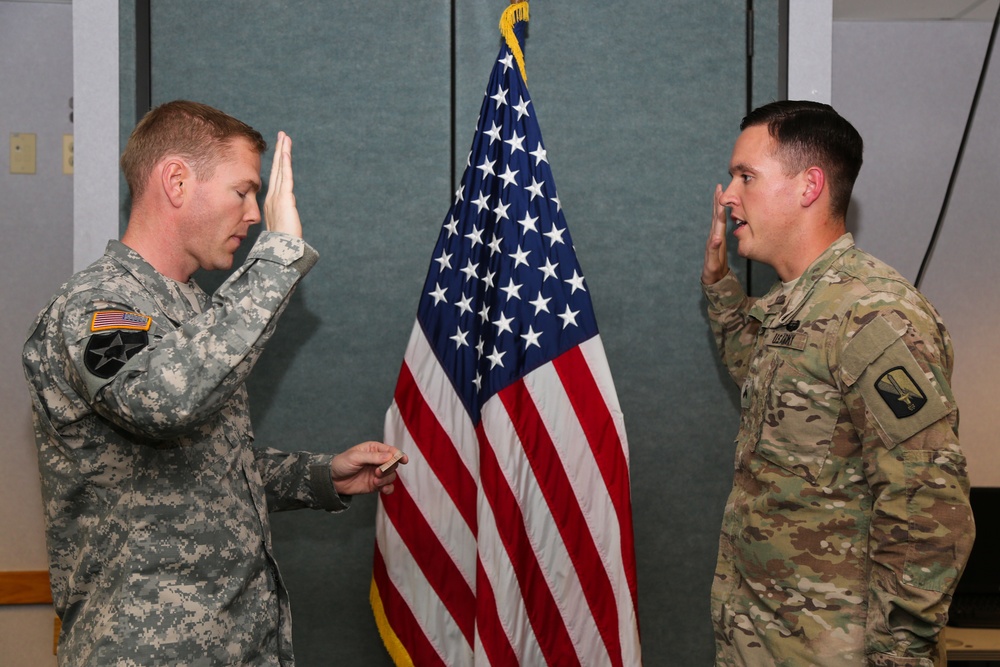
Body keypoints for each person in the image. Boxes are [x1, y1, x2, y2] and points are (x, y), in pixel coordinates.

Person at [22, 100, 406, 666]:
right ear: (176, 180)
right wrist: (277, 258)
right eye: (242, 191)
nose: (254, 215)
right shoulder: (96, 307)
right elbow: (166, 401)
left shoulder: (201, 312)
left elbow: (205, 471)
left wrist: (320, 476)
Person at [701, 100, 974, 666]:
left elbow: (928, 505)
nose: (728, 194)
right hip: (762, 641)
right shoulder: (793, 305)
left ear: (809, 187)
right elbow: (761, 377)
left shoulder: (873, 316)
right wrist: (721, 285)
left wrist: (899, 655)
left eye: (746, 176)